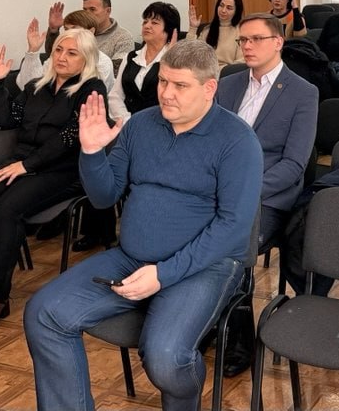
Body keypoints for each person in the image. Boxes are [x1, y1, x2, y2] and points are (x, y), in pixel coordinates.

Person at [24, 40, 262, 411]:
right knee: (43, 314)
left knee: (166, 359)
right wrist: (91, 152)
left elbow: (233, 228)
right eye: (163, 81)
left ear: (209, 88)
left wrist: (163, 274)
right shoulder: (141, 125)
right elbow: (104, 197)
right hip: (131, 259)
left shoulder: (237, 141)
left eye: (180, 85)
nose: (166, 93)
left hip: (205, 267)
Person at [0, 29, 109, 334]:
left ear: (86, 59)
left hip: (61, 170)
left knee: (6, 210)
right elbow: (6, 119)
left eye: (72, 53)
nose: (62, 57)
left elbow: (69, 137)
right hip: (20, 163)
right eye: (58, 50)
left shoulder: (91, 89)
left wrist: (26, 165)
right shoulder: (37, 86)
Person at [214, 13, 318, 376]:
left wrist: (243, 191)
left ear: (278, 43)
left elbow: (294, 164)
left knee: (233, 244)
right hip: (218, 189)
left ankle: (239, 338)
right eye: (243, 40)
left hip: (268, 196)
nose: (247, 46)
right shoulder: (227, 84)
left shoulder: (303, 92)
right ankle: (202, 318)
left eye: (256, 39)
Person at [74, 1, 181, 251]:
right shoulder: (132, 57)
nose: (147, 26)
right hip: (129, 127)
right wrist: (128, 122)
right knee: (103, 162)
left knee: (140, 171)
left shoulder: (174, 61)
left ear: (169, 31)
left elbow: (174, 100)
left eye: (155, 22)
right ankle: (100, 231)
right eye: (145, 20)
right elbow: (115, 95)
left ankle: (141, 234)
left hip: (162, 129)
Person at [20, 11, 118, 115]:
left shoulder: (102, 64)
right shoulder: (57, 57)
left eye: (74, 29)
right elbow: (28, 87)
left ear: (91, 31)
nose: (69, 33)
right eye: (66, 29)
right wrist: (33, 51)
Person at [44, 0, 139, 72]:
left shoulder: (123, 37)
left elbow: (117, 70)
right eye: (85, 9)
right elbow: (53, 57)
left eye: (92, 9)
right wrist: (54, 30)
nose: (87, 13)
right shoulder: (78, 31)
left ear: (108, 11)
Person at [188, 0, 244, 68]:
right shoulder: (207, 30)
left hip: (227, 73)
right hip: (204, 71)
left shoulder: (241, 31)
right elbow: (189, 54)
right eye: (221, 5)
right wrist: (193, 28)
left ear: (236, 11)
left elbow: (241, 63)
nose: (223, 10)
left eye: (229, 8)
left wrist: (220, 71)